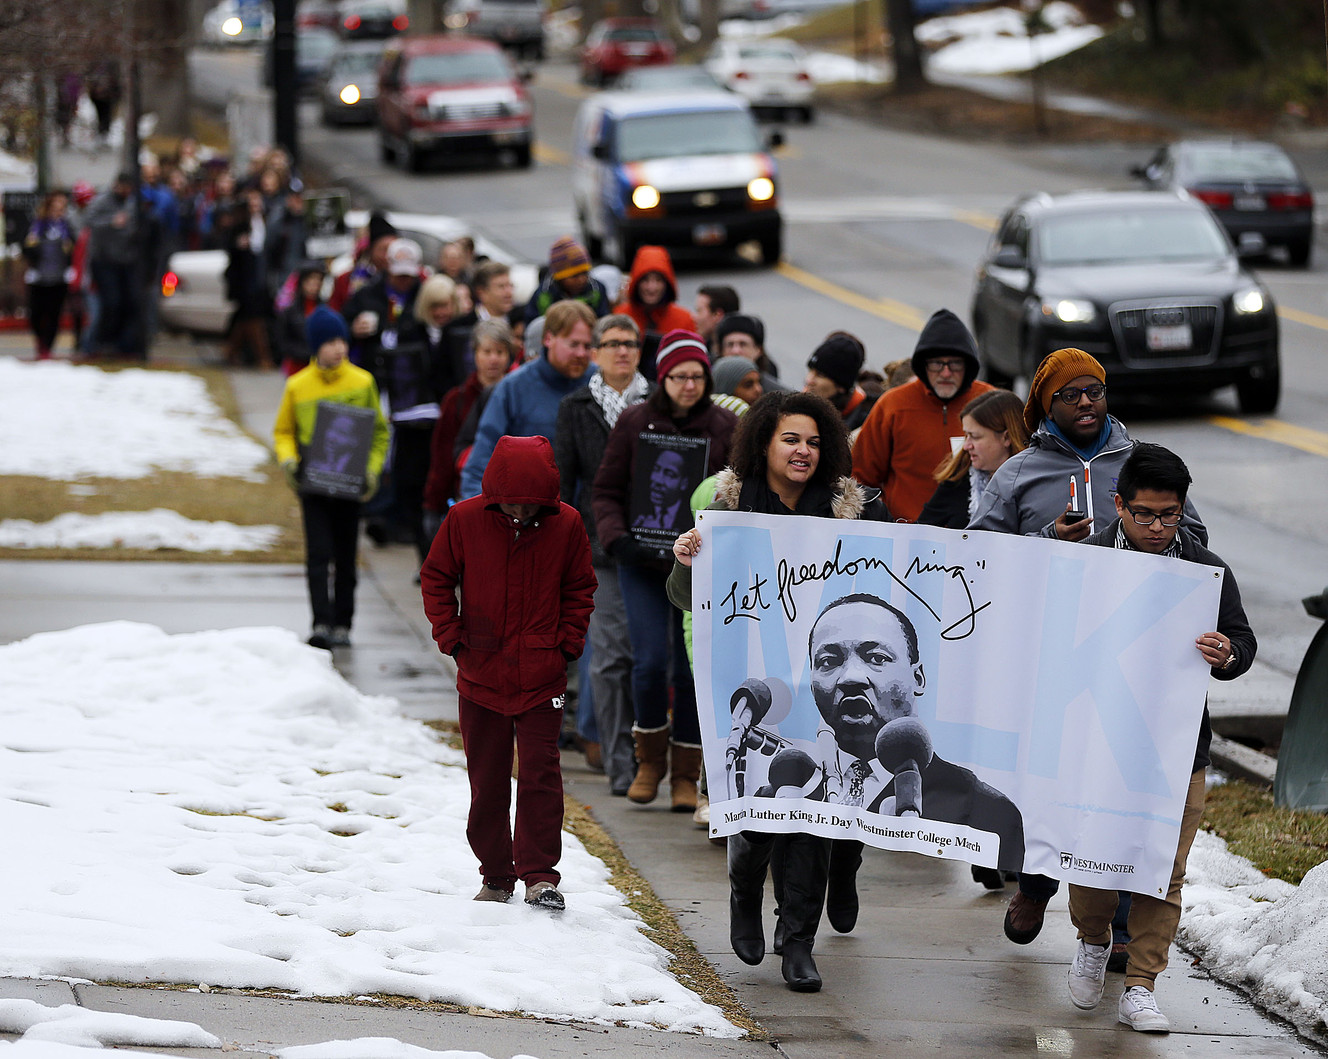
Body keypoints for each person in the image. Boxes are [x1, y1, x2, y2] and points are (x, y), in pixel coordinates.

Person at [967, 347, 1205, 949]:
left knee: (1121, 788)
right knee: (1052, 780)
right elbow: (977, 557)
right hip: (1051, 654)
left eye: (1094, 392)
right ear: (1047, 403)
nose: (1085, 404)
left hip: (1136, 657)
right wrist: (1050, 539)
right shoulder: (1020, 472)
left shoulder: (1138, 461)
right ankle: (1036, 884)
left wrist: (1130, 533)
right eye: (1070, 394)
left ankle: (1119, 928)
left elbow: (1195, 536)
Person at [666, 390, 889, 993]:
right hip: (754, 685)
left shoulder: (853, 514)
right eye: (791, 439)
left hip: (823, 690)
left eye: (815, 442)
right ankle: (744, 890)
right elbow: (686, 600)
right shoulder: (726, 507)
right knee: (760, 815)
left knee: (812, 814)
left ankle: (797, 942)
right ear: (763, 442)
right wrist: (689, 561)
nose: (803, 451)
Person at [1066, 443, 1255, 1033]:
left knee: (1164, 867)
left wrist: (1227, 654)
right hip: (1097, 742)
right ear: (1118, 504)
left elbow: (1243, 643)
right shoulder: (1087, 561)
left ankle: (1142, 983)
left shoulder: (1206, 569)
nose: (1156, 527)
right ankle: (1093, 939)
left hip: (1178, 747)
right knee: (1095, 855)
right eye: (1144, 514)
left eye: (1169, 514)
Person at [420, 434, 597, 912]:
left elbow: (581, 586)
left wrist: (567, 644)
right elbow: (436, 577)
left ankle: (540, 876)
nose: (521, 513)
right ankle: (496, 874)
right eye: (512, 504)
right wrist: (451, 637)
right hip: (480, 671)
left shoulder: (567, 526)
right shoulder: (464, 520)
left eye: (531, 505)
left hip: (544, 674)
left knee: (542, 774)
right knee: (488, 779)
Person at [593, 330, 737, 811]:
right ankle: (649, 758)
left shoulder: (722, 427)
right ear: (663, 377)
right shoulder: (636, 421)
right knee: (650, 661)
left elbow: (734, 493)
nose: (689, 385)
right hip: (643, 561)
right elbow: (607, 489)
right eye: (679, 376)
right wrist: (617, 539)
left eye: (698, 376)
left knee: (692, 668)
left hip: (700, 566)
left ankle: (685, 769)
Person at [554, 313, 651, 796]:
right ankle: (618, 763)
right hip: (602, 549)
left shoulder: (660, 403)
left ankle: (657, 756)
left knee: (653, 658)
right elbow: (567, 483)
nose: (621, 351)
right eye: (611, 343)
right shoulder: (577, 407)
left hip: (659, 546)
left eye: (629, 343)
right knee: (611, 657)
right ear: (594, 352)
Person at [273, 307, 390, 651]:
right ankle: (321, 622)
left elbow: (379, 433)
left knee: (345, 557)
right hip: (314, 485)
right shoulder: (298, 386)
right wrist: (289, 462)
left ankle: (343, 623)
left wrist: (372, 469)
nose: (339, 348)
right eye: (330, 342)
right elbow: (284, 431)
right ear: (315, 346)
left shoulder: (362, 381)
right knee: (318, 555)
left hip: (350, 485)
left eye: (342, 340)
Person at [851, 309, 993, 522]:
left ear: (969, 365)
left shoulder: (991, 402)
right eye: (937, 363)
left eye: (954, 363)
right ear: (922, 365)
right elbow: (860, 478)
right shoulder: (893, 405)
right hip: (905, 536)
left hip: (975, 539)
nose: (946, 373)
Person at [460, 300, 597, 499]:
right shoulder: (513, 388)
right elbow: (481, 463)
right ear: (549, 338)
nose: (581, 354)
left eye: (587, 346)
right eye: (574, 344)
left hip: (588, 521)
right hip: (528, 515)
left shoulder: (600, 383)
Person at [424, 318, 519, 530]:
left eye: (500, 352)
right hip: (468, 494)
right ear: (475, 353)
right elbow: (443, 458)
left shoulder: (519, 396)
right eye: (487, 352)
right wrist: (433, 504)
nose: (493, 359)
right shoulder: (457, 399)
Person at [917, 389, 1028, 531]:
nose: (966, 446)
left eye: (975, 436)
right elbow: (920, 532)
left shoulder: (1035, 483)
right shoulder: (958, 479)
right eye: (966, 435)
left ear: (1006, 438)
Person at [84, 172, 142, 357]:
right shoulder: (102, 201)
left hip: (127, 260)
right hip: (105, 261)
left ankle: (123, 344)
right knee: (111, 302)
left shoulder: (133, 202)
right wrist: (111, 222)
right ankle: (102, 341)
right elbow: (88, 221)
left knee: (129, 302)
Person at [613, 246, 695, 376]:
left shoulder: (684, 319)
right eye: (645, 280)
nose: (652, 287)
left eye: (658, 280)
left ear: (667, 283)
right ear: (636, 282)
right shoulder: (620, 316)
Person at [223, 190, 275, 369]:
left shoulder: (267, 221)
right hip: (244, 281)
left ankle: (232, 352)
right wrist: (238, 245)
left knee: (245, 320)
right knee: (252, 319)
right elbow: (230, 249)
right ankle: (262, 357)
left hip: (260, 279)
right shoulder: (239, 224)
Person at [22, 191, 75, 360]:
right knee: (36, 314)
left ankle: (47, 347)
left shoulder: (67, 227)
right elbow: (26, 249)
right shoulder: (37, 226)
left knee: (54, 314)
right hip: (39, 276)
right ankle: (40, 340)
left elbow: (75, 249)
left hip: (59, 277)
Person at [524, 235, 612, 324]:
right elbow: (532, 325)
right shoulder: (543, 295)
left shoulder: (597, 290)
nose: (581, 279)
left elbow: (604, 321)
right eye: (574, 276)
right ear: (559, 277)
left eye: (585, 273)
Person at [803, 331, 876, 432]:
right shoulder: (798, 407)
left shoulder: (863, 425)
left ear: (841, 386)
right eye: (810, 370)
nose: (809, 380)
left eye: (820, 375)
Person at [275, 263, 328, 376]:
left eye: (318, 280)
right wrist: (304, 353)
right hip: (297, 366)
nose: (314, 284)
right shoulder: (289, 311)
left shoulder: (326, 310)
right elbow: (282, 341)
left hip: (321, 367)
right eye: (310, 280)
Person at [713, 313, 785, 393]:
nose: (736, 351)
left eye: (743, 344)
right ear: (720, 351)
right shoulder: (705, 389)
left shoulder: (775, 394)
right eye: (730, 345)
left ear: (758, 350)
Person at [694, 284, 739, 353]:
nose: (694, 317)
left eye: (699, 311)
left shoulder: (736, 352)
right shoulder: (701, 349)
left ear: (717, 315)